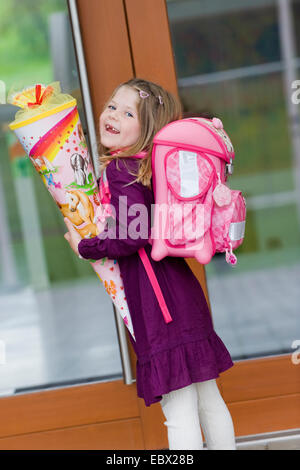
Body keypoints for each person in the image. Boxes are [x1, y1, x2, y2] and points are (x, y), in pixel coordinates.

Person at [64, 78, 236, 450]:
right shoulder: (151, 168)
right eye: (112, 106)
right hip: (182, 294)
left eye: (129, 113)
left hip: (159, 307)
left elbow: (132, 235)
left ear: (147, 130)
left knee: (179, 409)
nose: (113, 115)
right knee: (209, 399)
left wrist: (86, 247)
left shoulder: (121, 171)